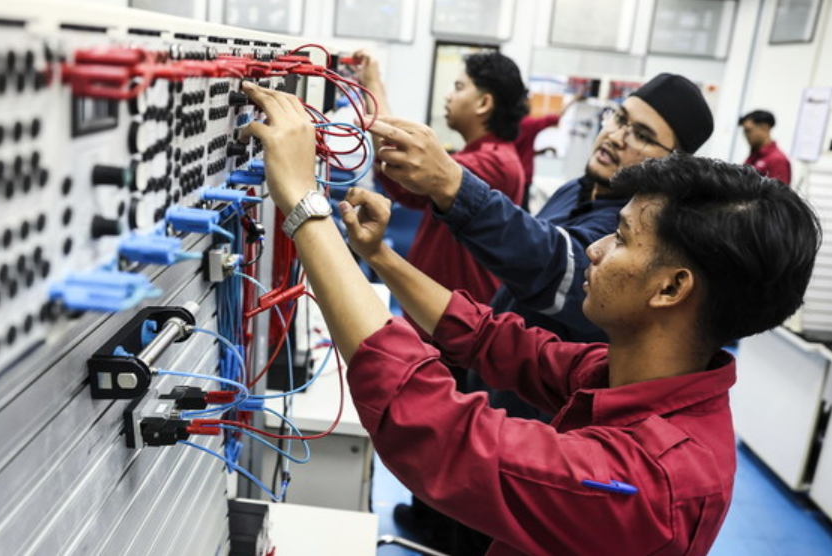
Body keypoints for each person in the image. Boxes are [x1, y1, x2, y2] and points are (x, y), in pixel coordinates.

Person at [240, 81, 821, 556]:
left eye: (620, 239)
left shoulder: (647, 482)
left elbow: (441, 433)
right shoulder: (633, 376)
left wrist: (303, 203)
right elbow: (496, 339)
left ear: (671, 288)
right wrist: (382, 258)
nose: (596, 250)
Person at [355, 50, 527, 315]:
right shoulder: (479, 156)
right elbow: (408, 190)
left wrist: (373, 84)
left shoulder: (494, 163)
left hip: (460, 319)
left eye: (459, 87)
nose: (448, 96)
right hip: (438, 314)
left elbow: (400, 163)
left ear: (484, 103)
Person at [514, 92, 582, 212]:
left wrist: (543, 151)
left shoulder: (512, 125)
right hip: (524, 176)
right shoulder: (528, 124)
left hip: (514, 174)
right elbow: (555, 117)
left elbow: (521, 151)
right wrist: (573, 100)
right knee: (522, 210)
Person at [739, 110, 792, 185]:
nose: (746, 135)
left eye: (748, 130)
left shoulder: (777, 160)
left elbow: (778, 191)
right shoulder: (754, 155)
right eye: (744, 131)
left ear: (764, 127)